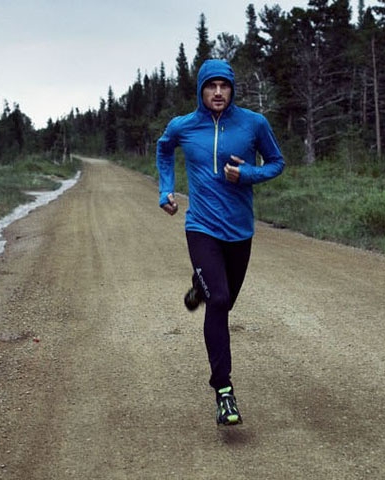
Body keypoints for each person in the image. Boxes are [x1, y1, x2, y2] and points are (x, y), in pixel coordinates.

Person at [156, 59, 285, 426]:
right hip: (201, 227)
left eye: (223, 86)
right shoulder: (183, 126)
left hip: (240, 231)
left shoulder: (253, 124)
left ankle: (200, 285)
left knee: (221, 299)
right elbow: (164, 149)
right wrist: (166, 189)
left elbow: (276, 163)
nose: (217, 92)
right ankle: (224, 391)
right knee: (220, 301)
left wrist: (247, 174)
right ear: (200, 89)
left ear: (232, 89)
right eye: (210, 86)